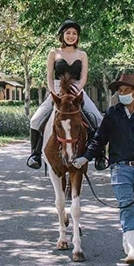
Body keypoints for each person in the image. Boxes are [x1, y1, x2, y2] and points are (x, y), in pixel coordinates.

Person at [73, 73, 134, 265]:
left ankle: (129, 235)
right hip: (120, 169)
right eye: (120, 91)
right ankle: (133, 250)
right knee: (126, 205)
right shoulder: (112, 115)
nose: (122, 94)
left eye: (126, 91)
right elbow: (99, 140)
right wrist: (85, 158)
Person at [26, 20, 104, 169]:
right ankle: (35, 155)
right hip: (57, 90)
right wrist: (53, 92)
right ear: (62, 35)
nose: (71, 36)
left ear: (78, 37)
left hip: (77, 90)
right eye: (68, 33)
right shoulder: (54, 53)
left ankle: (100, 156)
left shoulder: (82, 54)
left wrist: (78, 90)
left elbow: (84, 77)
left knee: (98, 118)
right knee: (35, 120)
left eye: (74, 33)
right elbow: (49, 75)